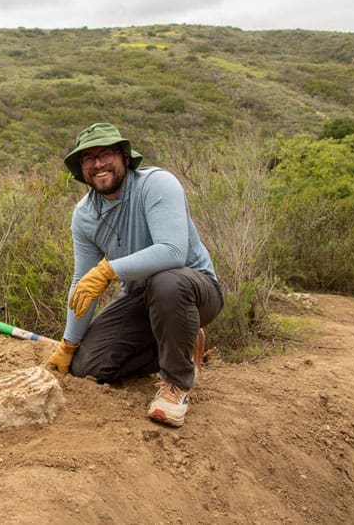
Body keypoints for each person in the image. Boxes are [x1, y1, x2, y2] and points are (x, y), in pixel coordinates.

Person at [46, 123, 223, 427]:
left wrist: (108, 270)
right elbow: (82, 282)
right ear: (81, 169)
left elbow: (172, 252)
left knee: (166, 283)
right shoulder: (84, 215)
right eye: (88, 159)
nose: (98, 164)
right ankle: (185, 343)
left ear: (125, 158)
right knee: (88, 366)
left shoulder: (156, 184)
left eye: (105, 154)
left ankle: (176, 385)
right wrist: (69, 344)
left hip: (193, 290)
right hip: (139, 296)